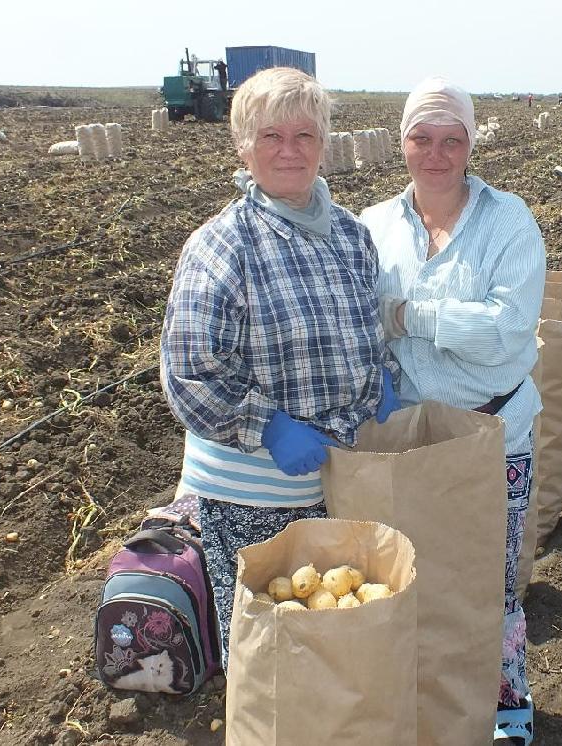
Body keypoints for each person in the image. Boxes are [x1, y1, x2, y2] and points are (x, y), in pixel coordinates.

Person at [159, 66, 399, 668]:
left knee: (337, 639)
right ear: (242, 146)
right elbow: (190, 373)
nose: (289, 151)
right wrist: (267, 425)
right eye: (271, 136)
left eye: (304, 135)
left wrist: (384, 381)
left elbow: (369, 329)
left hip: (341, 480)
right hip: (250, 494)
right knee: (272, 652)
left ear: (324, 145)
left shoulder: (351, 235)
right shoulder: (222, 245)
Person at [360, 76, 545, 746]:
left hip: (495, 436)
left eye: (451, 139)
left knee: (488, 588)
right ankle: (425, 709)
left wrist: (410, 315)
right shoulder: (373, 226)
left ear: (470, 145)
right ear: (401, 143)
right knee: (409, 584)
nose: (435, 152)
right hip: (406, 441)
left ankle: (505, 708)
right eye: (421, 137)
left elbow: (507, 328)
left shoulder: (507, 221)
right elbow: (358, 324)